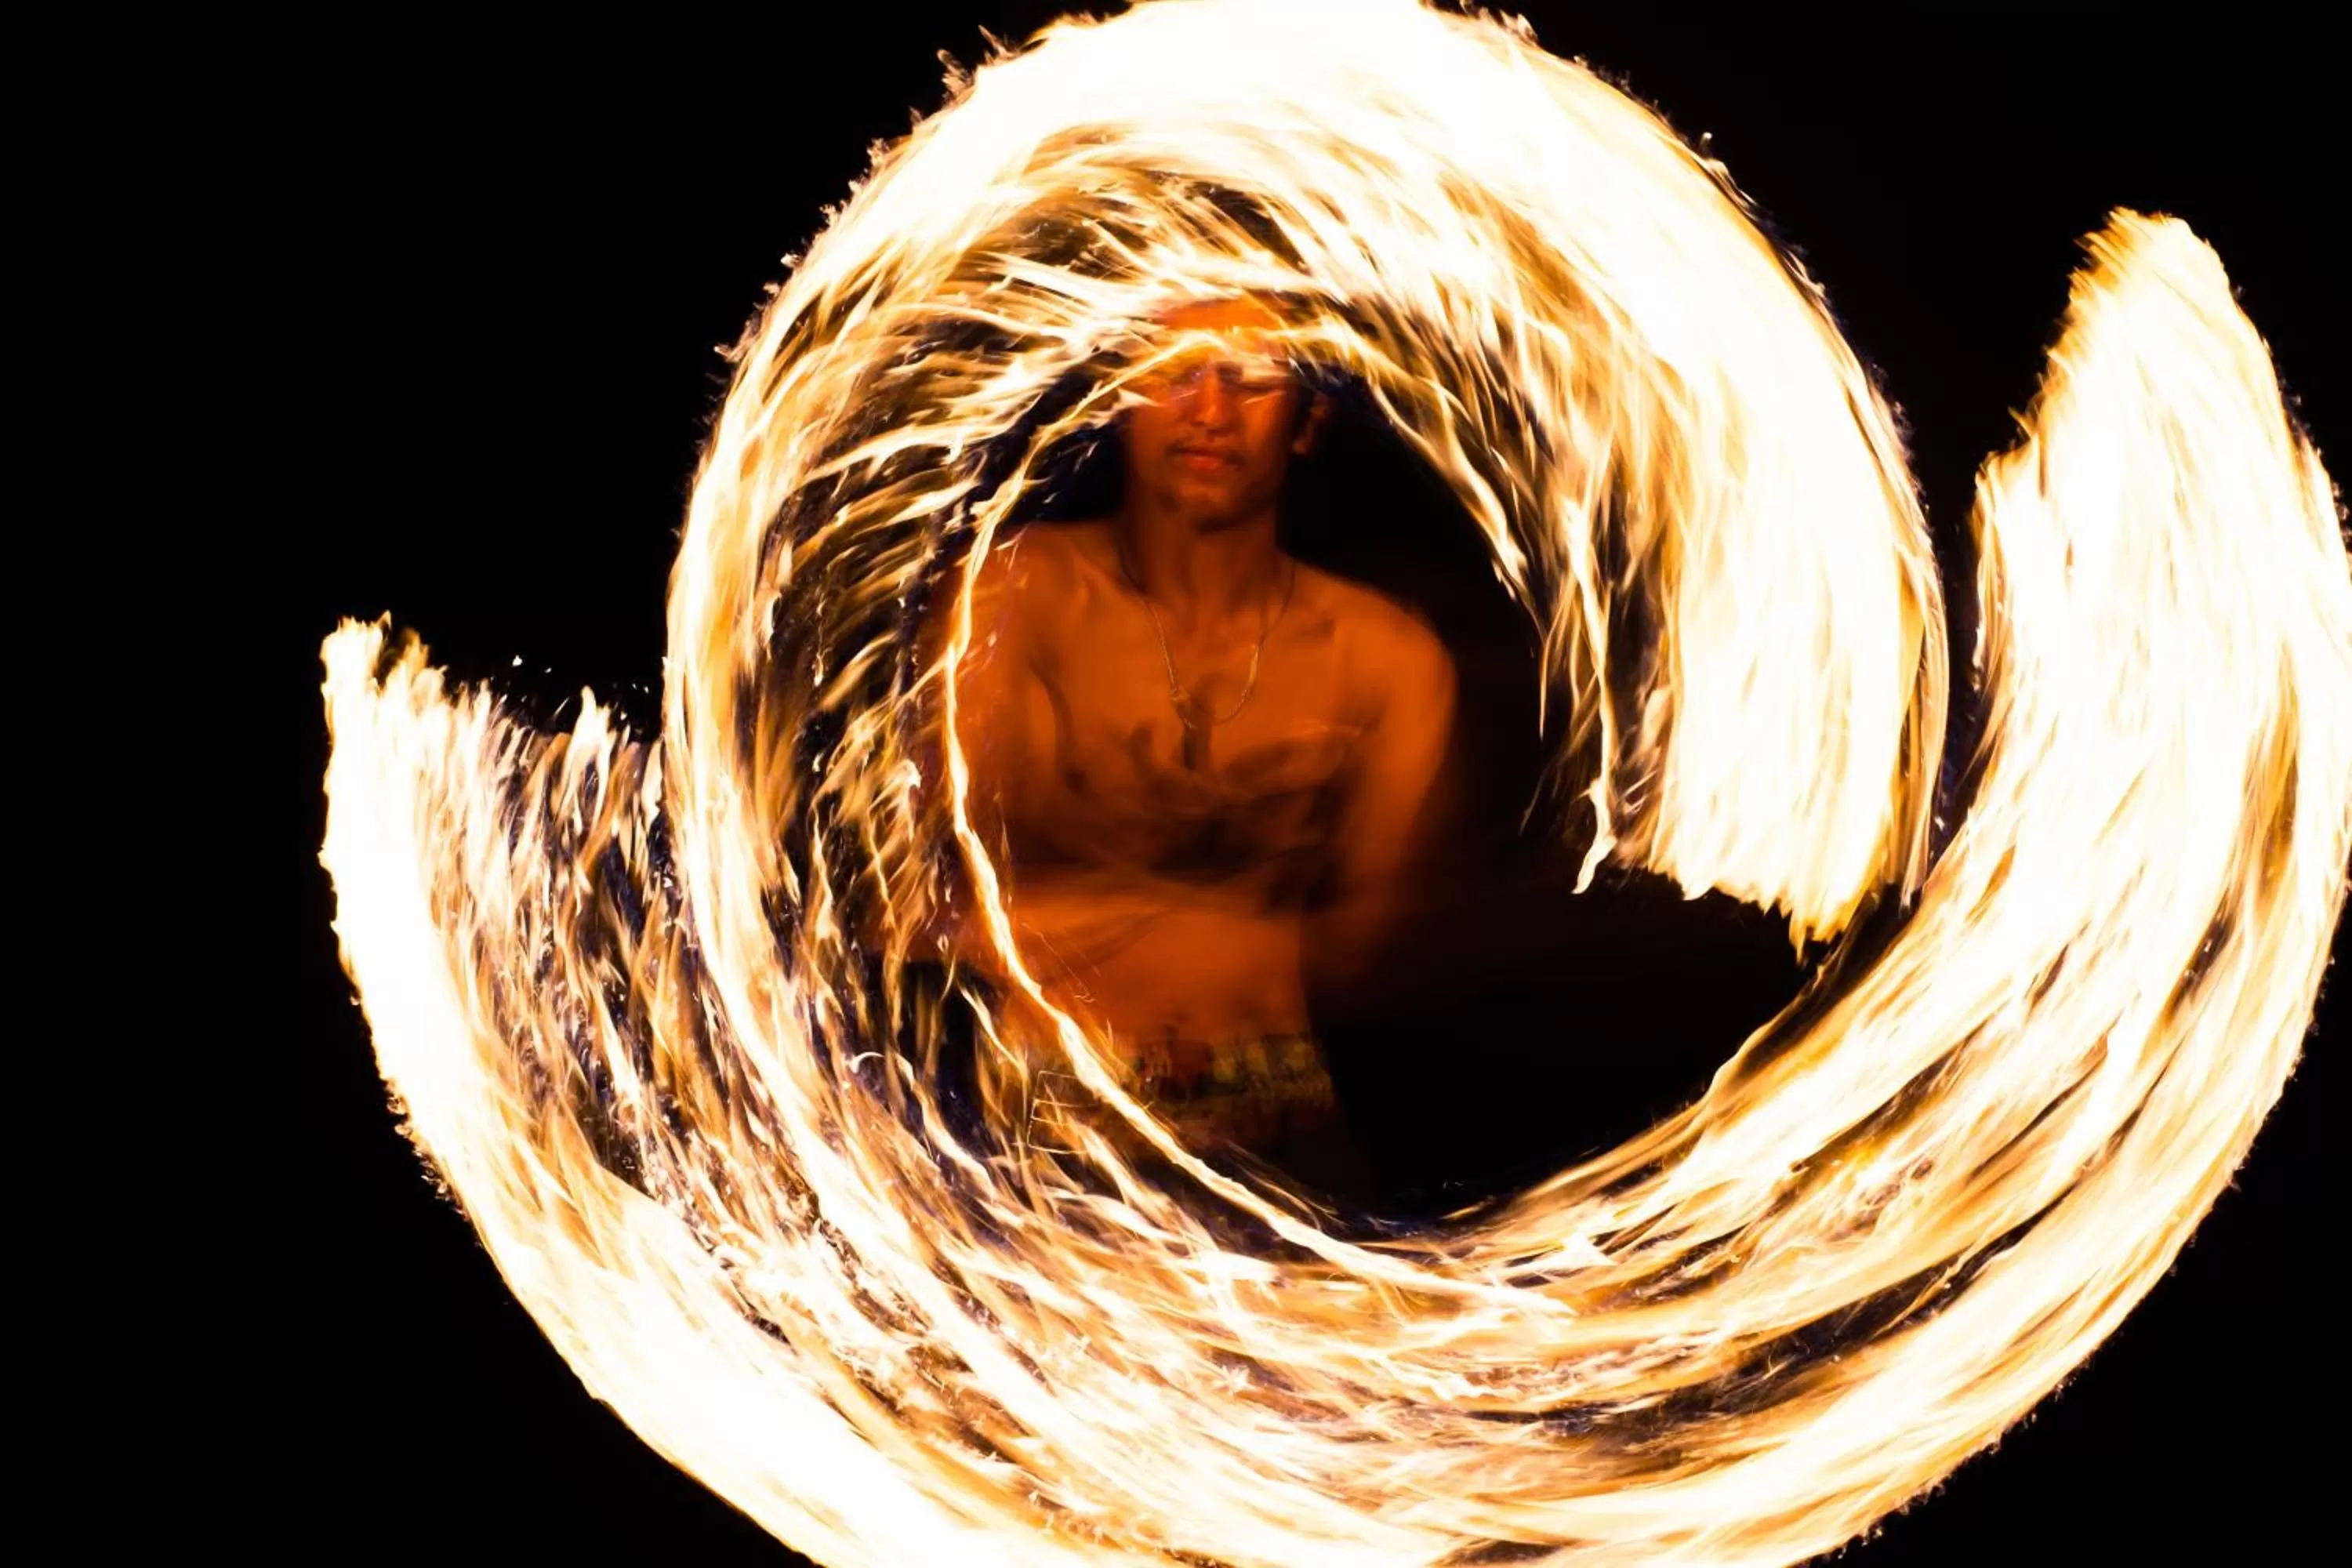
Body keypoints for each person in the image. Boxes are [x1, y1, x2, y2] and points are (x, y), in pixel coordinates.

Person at [936, 296, 1454, 1189]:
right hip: (1050, 1104)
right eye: (1175, 373)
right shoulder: (1015, 599)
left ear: (1308, 419)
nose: (1210, 411)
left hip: (1276, 1112)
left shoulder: (1387, 660)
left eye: (1250, 380)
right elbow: (926, 888)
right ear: (1120, 396)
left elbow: (1381, 950)